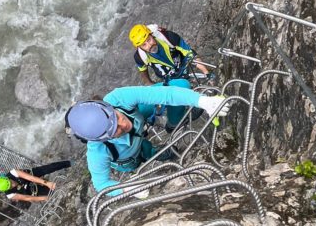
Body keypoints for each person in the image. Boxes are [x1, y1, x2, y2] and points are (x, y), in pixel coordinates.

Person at [65, 82, 228, 194]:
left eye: (117, 117)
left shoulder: (117, 99)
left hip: (138, 122)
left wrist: (202, 100)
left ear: (108, 107)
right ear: (101, 139)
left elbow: (167, 93)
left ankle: (172, 124)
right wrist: (126, 189)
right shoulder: (97, 151)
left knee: (180, 85)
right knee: (146, 150)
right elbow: (101, 184)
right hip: (129, 158)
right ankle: (159, 153)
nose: (124, 125)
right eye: (115, 130)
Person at [129, 23, 210, 86]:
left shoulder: (169, 37)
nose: (149, 45)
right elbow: (143, 71)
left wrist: (206, 73)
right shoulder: (140, 57)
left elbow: (190, 53)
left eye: (149, 40)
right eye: (144, 45)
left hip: (182, 63)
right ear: (139, 47)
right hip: (168, 76)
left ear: (152, 35)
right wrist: (150, 84)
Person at [0, 160, 71, 203]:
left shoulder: (13, 173)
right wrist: (44, 198)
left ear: (7, 178)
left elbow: (30, 177)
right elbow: (27, 197)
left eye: (11, 182)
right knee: (52, 192)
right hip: (29, 189)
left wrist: (47, 183)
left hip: (31, 175)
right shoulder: (10, 194)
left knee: (50, 168)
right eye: (10, 186)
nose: (13, 184)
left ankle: (69, 163)